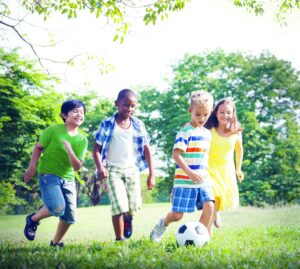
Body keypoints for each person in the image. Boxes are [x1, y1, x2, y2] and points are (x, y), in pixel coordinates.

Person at [150, 90, 215, 242]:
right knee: (177, 215)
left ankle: (199, 239)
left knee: (210, 207)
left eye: (205, 114)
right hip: (184, 180)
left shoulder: (207, 133)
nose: (202, 118)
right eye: (198, 114)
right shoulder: (185, 132)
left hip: (203, 180)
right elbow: (176, 155)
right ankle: (161, 225)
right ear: (190, 111)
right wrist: (190, 173)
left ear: (210, 112)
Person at [23, 100, 88, 247]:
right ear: (64, 115)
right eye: (76, 111)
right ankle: (33, 219)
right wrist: (32, 167)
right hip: (48, 174)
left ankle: (55, 243)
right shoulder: (53, 131)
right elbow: (38, 148)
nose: (80, 115)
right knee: (58, 207)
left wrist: (70, 150)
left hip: (68, 178)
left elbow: (77, 166)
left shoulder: (82, 140)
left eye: (82, 112)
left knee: (70, 217)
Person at [93, 88, 155, 241]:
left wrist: (151, 174)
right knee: (119, 205)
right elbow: (96, 150)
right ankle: (119, 238)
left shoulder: (138, 125)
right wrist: (100, 167)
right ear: (117, 104)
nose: (130, 109)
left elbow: (147, 149)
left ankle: (129, 218)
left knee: (133, 206)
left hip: (132, 169)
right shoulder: (107, 124)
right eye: (126, 105)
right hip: (112, 170)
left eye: (133, 106)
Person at [204, 98, 244, 232]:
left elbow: (239, 150)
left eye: (228, 112)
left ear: (233, 114)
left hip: (226, 170)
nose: (225, 115)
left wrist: (238, 169)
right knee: (212, 196)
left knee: (219, 197)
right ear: (215, 113)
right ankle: (207, 234)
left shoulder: (236, 131)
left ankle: (216, 213)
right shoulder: (209, 129)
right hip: (209, 168)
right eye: (221, 112)